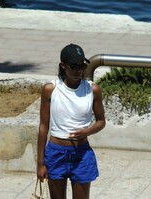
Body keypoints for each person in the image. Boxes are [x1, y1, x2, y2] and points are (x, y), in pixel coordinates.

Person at [37, 43, 106, 199]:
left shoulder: (92, 90)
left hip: (81, 153)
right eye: (74, 66)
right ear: (63, 66)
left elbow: (101, 121)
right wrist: (40, 163)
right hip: (56, 153)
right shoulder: (51, 89)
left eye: (82, 65)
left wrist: (87, 131)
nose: (79, 70)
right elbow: (43, 126)